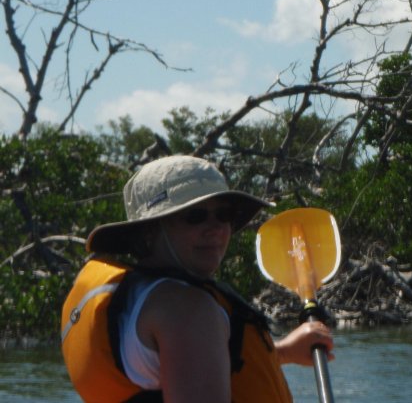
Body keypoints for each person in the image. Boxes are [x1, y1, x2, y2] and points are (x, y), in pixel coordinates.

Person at [61, 155, 334, 403]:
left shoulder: (139, 295)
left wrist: (282, 352)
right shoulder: (189, 311)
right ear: (150, 231)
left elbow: (180, 361)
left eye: (223, 215)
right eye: (195, 216)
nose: (215, 229)